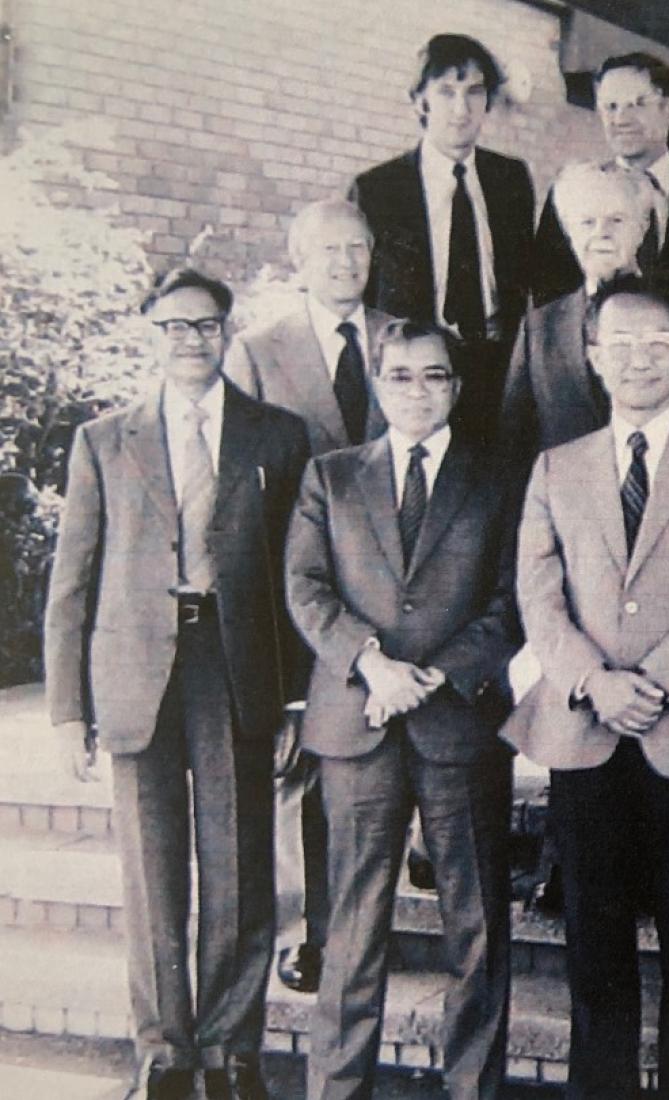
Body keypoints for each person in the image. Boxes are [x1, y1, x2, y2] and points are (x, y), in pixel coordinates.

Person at [44, 268, 312, 1100]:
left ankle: (232, 1046)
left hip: (237, 667)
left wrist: (297, 695)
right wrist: (65, 709)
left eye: (203, 325)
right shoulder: (104, 439)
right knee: (152, 871)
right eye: (172, 327)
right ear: (150, 335)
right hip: (136, 672)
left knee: (238, 864)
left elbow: (296, 574)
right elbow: (73, 578)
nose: (189, 341)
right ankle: (163, 1050)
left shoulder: (278, 435)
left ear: (226, 332)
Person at [502, 279, 669, 1100]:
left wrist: (653, 682)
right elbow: (537, 596)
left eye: (657, 344)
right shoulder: (557, 467)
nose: (640, 360)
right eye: (621, 345)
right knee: (596, 947)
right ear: (593, 357)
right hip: (585, 732)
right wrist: (593, 682)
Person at [285, 319, 520, 1100]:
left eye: (435, 376)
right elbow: (307, 588)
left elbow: (508, 601)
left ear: (456, 385)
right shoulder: (332, 476)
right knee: (351, 929)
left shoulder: (497, 478)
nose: (417, 392)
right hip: (358, 721)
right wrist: (372, 664)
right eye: (400, 376)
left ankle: (472, 1089)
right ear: (377, 385)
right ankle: (336, 1089)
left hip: (458, 722)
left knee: (477, 929)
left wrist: (434, 675)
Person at [224, 197, 397, 995]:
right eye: (328, 249)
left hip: (396, 589)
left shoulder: (408, 340)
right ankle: (307, 932)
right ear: (299, 259)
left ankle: (371, 918)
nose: (344, 261)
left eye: (357, 247)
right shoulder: (258, 353)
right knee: (304, 768)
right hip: (301, 589)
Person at [350, 33, 534, 446]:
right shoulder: (378, 189)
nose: (461, 108)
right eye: (446, 91)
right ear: (420, 101)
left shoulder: (511, 180)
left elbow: (524, 282)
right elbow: (365, 298)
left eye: (474, 92)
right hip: (417, 378)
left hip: (498, 370)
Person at [530, 52, 669, 335]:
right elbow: (551, 295)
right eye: (610, 106)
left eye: (637, 104)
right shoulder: (574, 193)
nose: (621, 119)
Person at [498, 160, 651, 468]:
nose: (601, 233)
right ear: (568, 231)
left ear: (642, 227)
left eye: (617, 220)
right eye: (587, 222)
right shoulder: (539, 327)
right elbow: (512, 442)